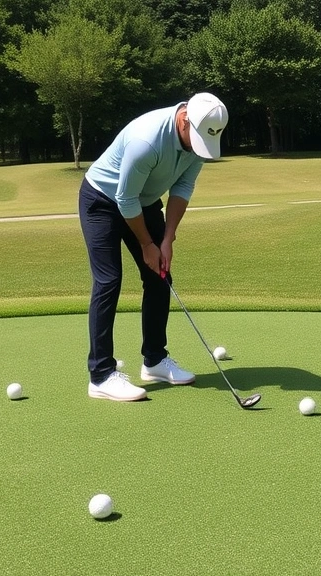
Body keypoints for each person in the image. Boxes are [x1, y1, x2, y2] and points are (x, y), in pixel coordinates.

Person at [79, 93, 228, 401]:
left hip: (142, 201)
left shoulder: (196, 139)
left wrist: (167, 238)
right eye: (194, 138)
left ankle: (155, 360)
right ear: (184, 119)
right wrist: (147, 243)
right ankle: (101, 375)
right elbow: (124, 198)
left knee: (161, 276)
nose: (196, 147)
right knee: (109, 281)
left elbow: (183, 187)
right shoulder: (146, 140)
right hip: (102, 200)